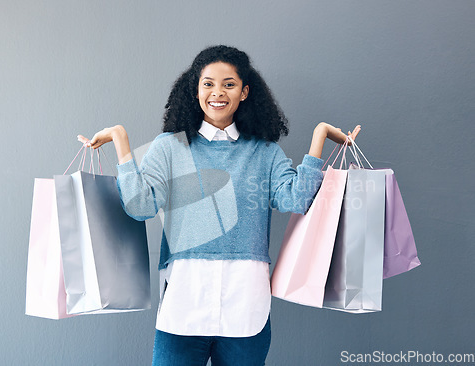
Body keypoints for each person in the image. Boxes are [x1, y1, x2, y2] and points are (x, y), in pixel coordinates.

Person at [78, 45, 360, 366]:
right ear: (196, 90)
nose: (217, 93)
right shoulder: (170, 147)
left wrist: (319, 136)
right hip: (184, 304)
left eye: (229, 84)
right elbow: (140, 206)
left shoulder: (264, 152)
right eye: (208, 83)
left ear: (244, 92)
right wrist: (121, 140)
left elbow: (295, 199)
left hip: (246, 307)